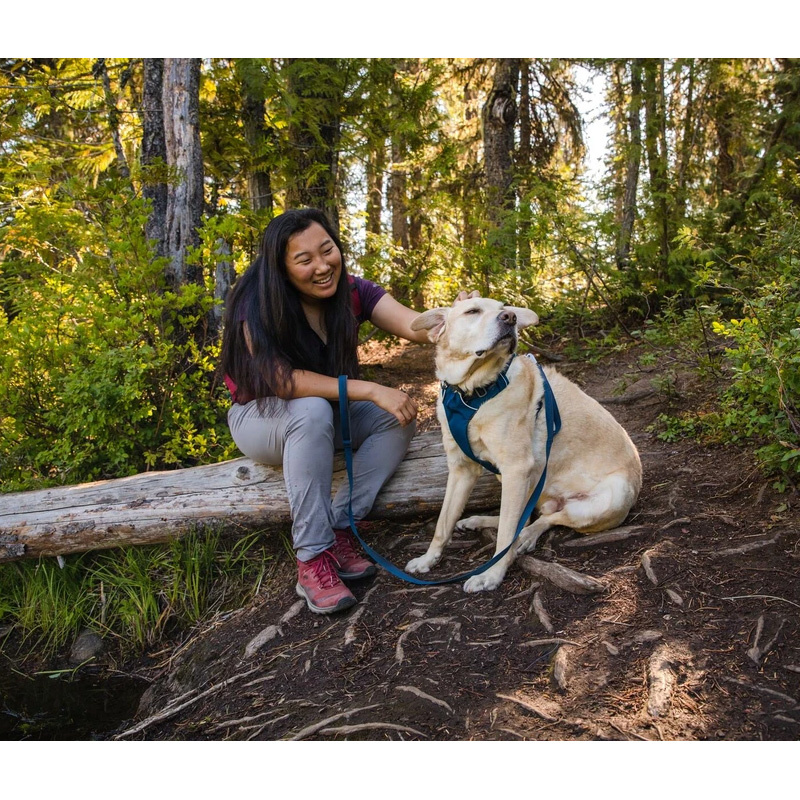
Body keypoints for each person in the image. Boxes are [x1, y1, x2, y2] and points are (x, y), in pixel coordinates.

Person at [220, 208, 433, 614]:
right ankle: (312, 557)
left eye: (327, 250)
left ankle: (342, 525)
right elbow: (280, 381)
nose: (322, 266)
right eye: (304, 260)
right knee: (313, 410)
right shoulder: (255, 303)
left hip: (322, 416)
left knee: (397, 414)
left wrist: (460, 317)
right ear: (281, 269)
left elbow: (414, 324)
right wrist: (370, 389)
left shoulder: (352, 292)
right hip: (260, 418)